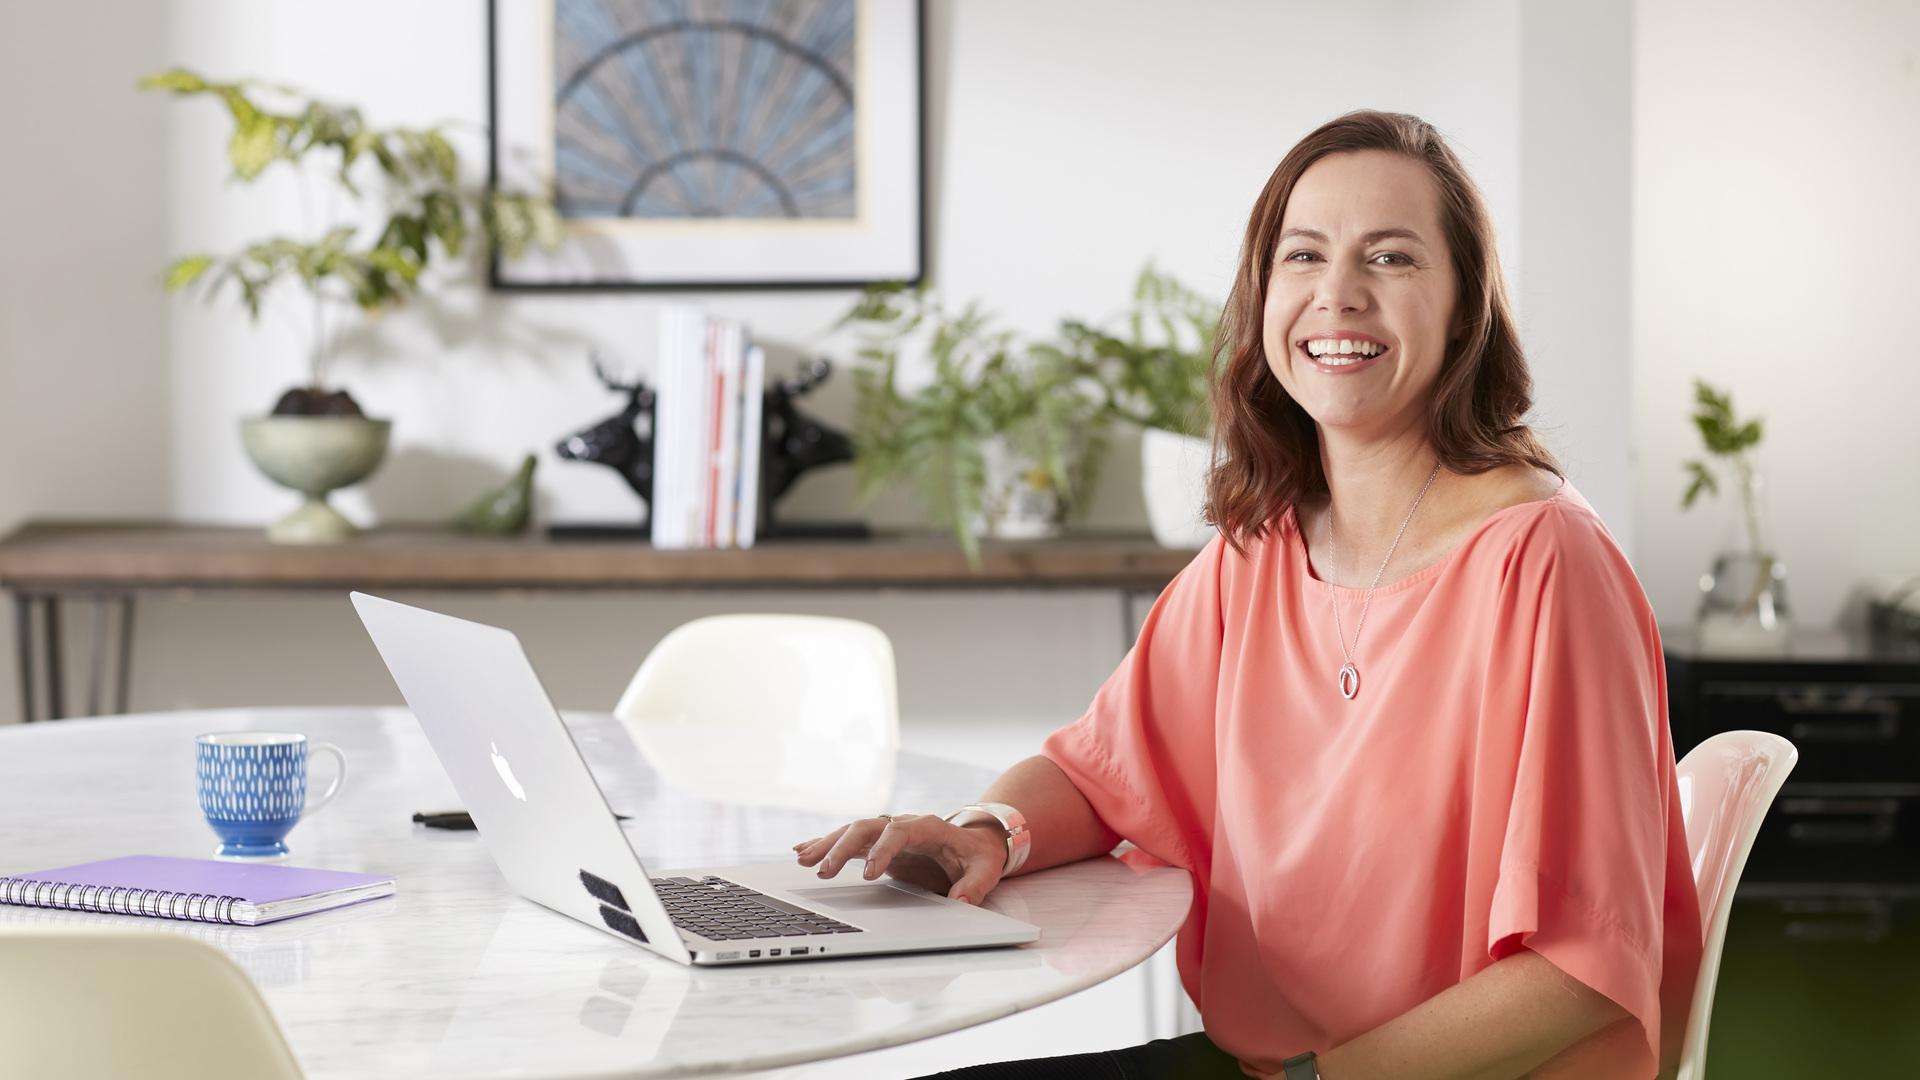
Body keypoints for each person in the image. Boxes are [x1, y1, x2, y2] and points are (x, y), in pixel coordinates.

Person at [792, 109, 1703, 1080]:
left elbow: (1582, 971)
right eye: (1303, 256)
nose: (1338, 296)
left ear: (1465, 306)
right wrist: (986, 830)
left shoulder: (1547, 563)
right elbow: (1105, 768)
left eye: (1391, 259)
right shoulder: (1259, 554)